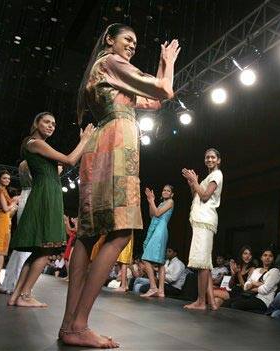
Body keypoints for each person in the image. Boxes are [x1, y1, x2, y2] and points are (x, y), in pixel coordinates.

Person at [60, 23, 179, 349]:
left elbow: (153, 102)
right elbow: (163, 91)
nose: (131, 46)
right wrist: (167, 64)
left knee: (88, 233)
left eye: (135, 43)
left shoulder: (107, 72)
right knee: (121, 231)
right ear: (109, 39)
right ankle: (80, 323)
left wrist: (159, 70)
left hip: (101, 146)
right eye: (127, 39)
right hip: (115, 146)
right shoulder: (111, 62)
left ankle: (70, 325)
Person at [7, 112, 94, 308]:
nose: (51, 126)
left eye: (54, 124)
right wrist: (85, 140)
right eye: (46, 122)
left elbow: (62, 165)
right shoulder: (35, 143)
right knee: (46, 249)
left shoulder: (38, 145)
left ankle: (17, 295)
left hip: (46, 192)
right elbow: (70, 160)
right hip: (46, 195)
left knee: (38, 250)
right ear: (36, 123)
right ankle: (26, 295)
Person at [182, 148, 224, 311]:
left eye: (213, 157)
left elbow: (205, 196)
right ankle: (211, 302)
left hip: (205, 220)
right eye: (207, 157)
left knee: (202, 262)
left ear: (218, 160)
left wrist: (196, 182)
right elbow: (197, 196)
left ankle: (201, 301)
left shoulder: (217, 175)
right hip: (201, 220)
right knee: (204, 262)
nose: (210, 159)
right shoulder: (209, 177)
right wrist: (193, 183)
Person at [0, 161, 33, 294]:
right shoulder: (34, 162)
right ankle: (15, 285)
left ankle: (9, 283)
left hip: (25, 196)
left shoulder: (22, 164)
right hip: (32, 198)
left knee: (22, 244)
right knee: (27, 243)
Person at [140, 185, 174, 297]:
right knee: (160, 263)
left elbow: (158, 214)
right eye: (164, 190)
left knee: (145, 258)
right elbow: (152, 214)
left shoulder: (170, 202)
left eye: (168, 191)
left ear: (171, 194)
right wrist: (151, 202)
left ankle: (153, 287)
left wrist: (152, 200)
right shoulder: (160, 204)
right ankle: (161, 291)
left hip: (160, 230)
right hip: (157, 229)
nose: (165, 192)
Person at [225, 248, 280, 313]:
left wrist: (253, 284)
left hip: (263, 301)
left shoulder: (275, 272)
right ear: (261, 258)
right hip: (251, 297)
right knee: (227, 303)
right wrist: (258, 284)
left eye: (270, 256)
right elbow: (246, 286)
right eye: (265, 255)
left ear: (273, 258)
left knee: (235, 305)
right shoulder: (257, 270)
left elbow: (264, 290)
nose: (267, 257)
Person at [62, 216, 78, 281]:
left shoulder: (80, 227)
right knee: (66, 260)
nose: (75, 219)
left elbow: (74, 229)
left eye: (77, 219)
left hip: (74, 245)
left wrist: (68, 221)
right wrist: (66, 222)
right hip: (70, 244)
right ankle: (68, 276)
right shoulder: (75, 226)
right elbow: (68, 232)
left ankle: (71, 277)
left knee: (70, 261)